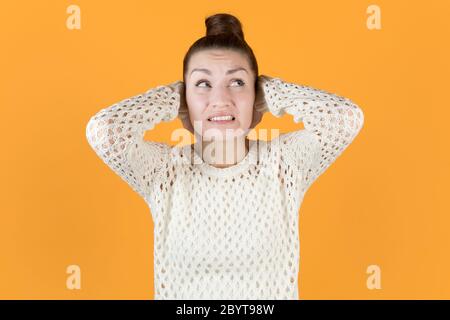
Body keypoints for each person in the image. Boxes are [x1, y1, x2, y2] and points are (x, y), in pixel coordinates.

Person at [85, 13, 364, 300]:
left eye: (237, 83)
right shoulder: (164, 171)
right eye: (203, 84)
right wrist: (171, 99)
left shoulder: (284, 164)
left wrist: (272, 92)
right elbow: (104, 131)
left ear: (256, 97)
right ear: (185, 98)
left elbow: (344, 117)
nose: (220, 98)